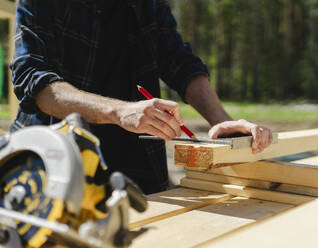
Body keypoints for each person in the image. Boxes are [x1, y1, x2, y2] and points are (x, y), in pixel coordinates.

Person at [10, 0, 273, 194]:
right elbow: (36, 82)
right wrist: (120, 112)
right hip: (52, 164)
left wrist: (222, 122)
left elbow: (179, 62)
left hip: (137, 167)